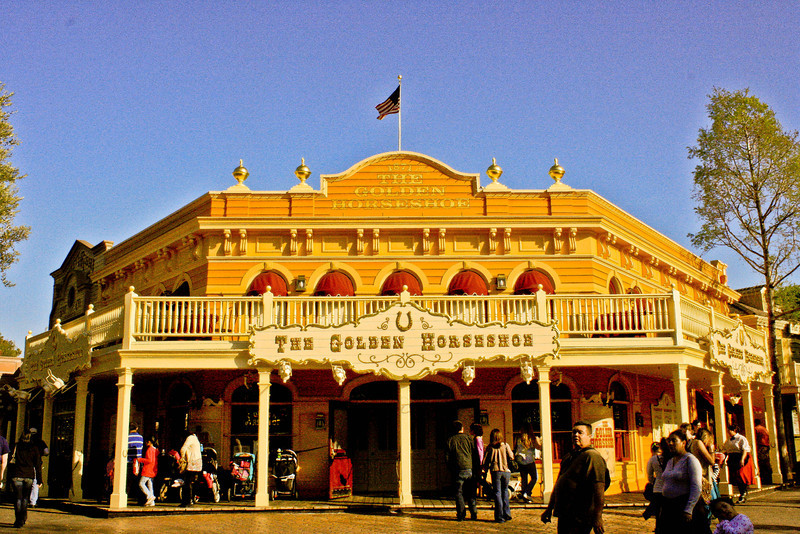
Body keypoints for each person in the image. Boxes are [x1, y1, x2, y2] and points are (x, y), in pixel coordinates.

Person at [541, 421, 607, 534]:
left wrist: (597, 517)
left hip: (581, 514)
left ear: (589, 436)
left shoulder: (592, 457)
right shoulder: (569, 457)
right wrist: (549, 508)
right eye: (574, 432)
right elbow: (558, 484)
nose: (576, 435)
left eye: (580, 433)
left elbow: (599, 488)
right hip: (565, 512)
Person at [660, 429, 708, 534]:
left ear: (683, 443)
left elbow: (696, 486)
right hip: (669, 506)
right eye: (669, 441)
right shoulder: (670, 461)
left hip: (684, 505)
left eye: (674, 440)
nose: (670, 443)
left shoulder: (690, 460)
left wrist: (688, 509)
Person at [445, 421, 477, 521]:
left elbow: (447, 457)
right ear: (462, 428)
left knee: (459, 492)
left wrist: (451, 468)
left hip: (458, 469)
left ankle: (461, 514)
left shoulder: (450, 440)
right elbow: (474, 453)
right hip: (469, 468)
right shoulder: (468, 438)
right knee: (471, 492)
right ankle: (473, 512)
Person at [10, 431, 42, 528]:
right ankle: (23, 517)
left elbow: (10, 461)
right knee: (25, 498)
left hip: (17, 474)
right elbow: (37, 464)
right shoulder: (34, 448)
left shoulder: (16, 447)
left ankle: (18, 519)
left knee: (17, 498)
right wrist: (39, 479)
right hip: (29, 475)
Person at [483, 428, 514, 523]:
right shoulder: (505, 445)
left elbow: (486, 461)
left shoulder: (490, 447)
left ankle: (499, 516)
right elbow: (512, 456)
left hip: (495, 471)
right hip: (506, 471)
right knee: (505, 491)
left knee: (497, 493)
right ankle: (507, 513)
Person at [721, 425, 752, 503]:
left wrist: (742, 459)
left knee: (740, 475)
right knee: (734, 477)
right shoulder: (728, 441)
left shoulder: (741, 438)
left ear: (734, 430)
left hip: (739, 457)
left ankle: (743, 493)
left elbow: (745, 449)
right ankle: (736, 494)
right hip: (732, 458)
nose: (728, 432)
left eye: (729, 431)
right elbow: (725, 450)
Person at [514, 422, 541, 502]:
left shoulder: (518, 438)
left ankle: (524, 495)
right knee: (534, 477)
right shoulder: (532, 438)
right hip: (529, 460)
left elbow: (515, 447)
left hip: (520, 460)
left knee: (524, 478)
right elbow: (538, 447)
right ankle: (527, 492)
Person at [179, 429, 202, 507]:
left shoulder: (190, 438)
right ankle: (191, 499)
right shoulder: (195, 438)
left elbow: (183, 449)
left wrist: (182, 458)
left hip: (192, 462)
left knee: (187, 482)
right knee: (191, 481)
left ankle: (187, 501)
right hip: (197, 461)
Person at [643, 442, 663, 522]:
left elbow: (649, 474)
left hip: (658, 487)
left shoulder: (652, 459)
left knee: (658, 510)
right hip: (669, 487)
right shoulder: (668, 457)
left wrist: (653, 481)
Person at [27, 428, 48, 508]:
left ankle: (24, 499)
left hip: (25, 465)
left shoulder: (25, 442)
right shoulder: (40, 442)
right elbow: (47, 452)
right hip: (36, 464)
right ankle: (33, 501)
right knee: (35, 483)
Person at [137, 436, 158, 506]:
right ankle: (152, 502)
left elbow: (149, 460)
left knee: (141, 483)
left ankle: (149, 496)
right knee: (150, 485)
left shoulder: (149, 450)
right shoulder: (155, 450)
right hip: (153, 469)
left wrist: (140, 459)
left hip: (147, 469)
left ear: (149, 442)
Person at [127, 422, 144, 502]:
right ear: (137, 428)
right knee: (138, 482)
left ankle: (126, 496)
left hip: (129, 462)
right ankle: (140, 499)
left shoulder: (126, 437)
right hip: (138, 462)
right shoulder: (141, 438)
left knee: (128, 482)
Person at [469, 423, 485, 499]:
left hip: (477, 462)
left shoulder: (477, 439)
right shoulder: (479, 439)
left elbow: (480, 452)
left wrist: (481, 463)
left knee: (477, 479)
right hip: (478, 462)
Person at [753, 418, 771, 484]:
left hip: (761, 446)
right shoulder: (764, 429)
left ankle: (764, 478)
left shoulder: (756, 429)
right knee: (766, 461)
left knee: (761, 462)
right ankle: (768, 477)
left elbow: (754, 438)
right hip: (766, 445)